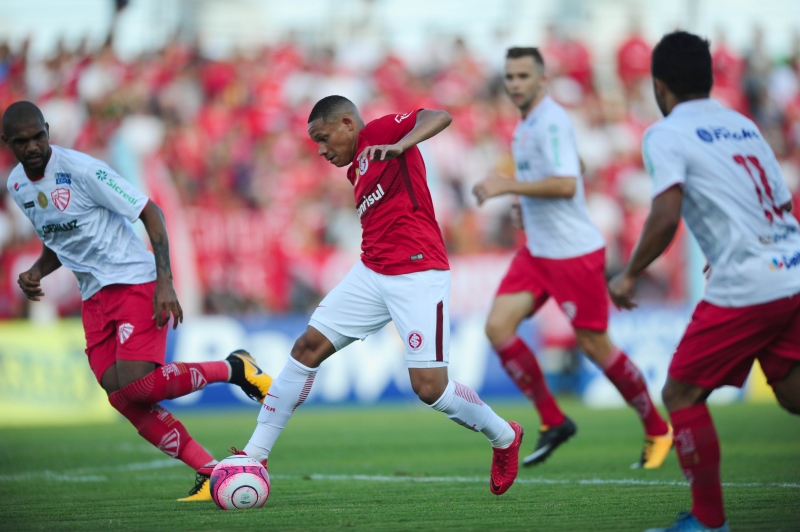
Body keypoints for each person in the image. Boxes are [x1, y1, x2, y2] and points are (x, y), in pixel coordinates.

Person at [236, 95, 524, 496]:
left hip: (418, 272)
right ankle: (254, 455)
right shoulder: (357, 167)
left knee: (430, 389)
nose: (320, 150)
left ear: (347, 124)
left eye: (323, 138)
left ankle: (504, 437)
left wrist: (403, 143)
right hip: (371, 271)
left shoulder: (380, 133)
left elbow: (438, 116)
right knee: (306, 348)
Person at [2, 101, 274, 501]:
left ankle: (234, 368)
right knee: (119, 394)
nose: (32, 147)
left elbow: (151, 212)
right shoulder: (17, 185)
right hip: (93, 295)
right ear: (7, 143)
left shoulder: (82, 170)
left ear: (47, 129)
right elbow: (60, 239)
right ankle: (209, 469)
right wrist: (37, 272)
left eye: (38, 136)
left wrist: (165, 281)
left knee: (137, 386)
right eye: (22, 142)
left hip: (134, 280)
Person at [608, 31, 800, 532]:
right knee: (793, 393)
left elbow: (666, 213)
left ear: (659, 85)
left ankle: (708, 523)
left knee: (680, 395)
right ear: (710, 78)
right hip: (791, 269)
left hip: (749, 282)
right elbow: (778, 203)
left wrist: (629, 274)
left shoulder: (665, 133)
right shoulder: (743, 125)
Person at [472, 47, 672, 468]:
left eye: (524, 76)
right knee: (498, 327)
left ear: (542, 80)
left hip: (572, 252)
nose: (515, 84)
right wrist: (526, 201)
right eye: (510, 77)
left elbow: (564, 184)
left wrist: (509, 186)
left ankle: (657, 428)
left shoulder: (552, 120)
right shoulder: (525, 127)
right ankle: (553, 420)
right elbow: (574, 167)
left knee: (594, 345)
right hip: (538, 252)